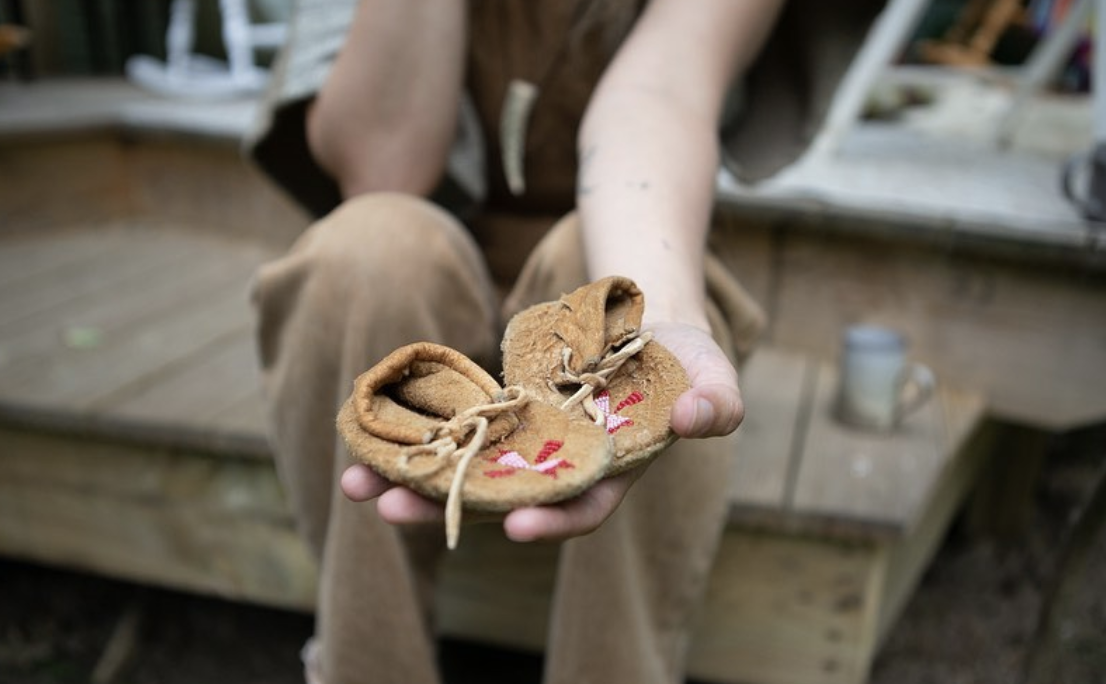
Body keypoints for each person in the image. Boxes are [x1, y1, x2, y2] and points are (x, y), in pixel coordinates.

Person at [246, 1, 883, 682]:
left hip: (635, 224)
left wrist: (659, 314)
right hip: (429, 264)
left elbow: (662, 93)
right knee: (362, 252)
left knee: (613, 295)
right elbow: (382, 165)